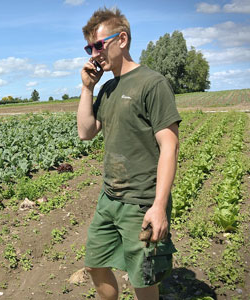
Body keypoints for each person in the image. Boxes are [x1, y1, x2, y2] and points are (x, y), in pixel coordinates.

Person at [77, 7, 182, 300]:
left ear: (121, 39)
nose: (94, 53)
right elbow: (86, 132)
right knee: (95, 265)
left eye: (99, 45)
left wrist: (159, 206)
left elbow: (169, 146)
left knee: (143, 278)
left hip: (141, 202)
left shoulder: (152, 83)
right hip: (108, 198)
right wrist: (87, 88)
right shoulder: (107, 88)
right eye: (89, 47)